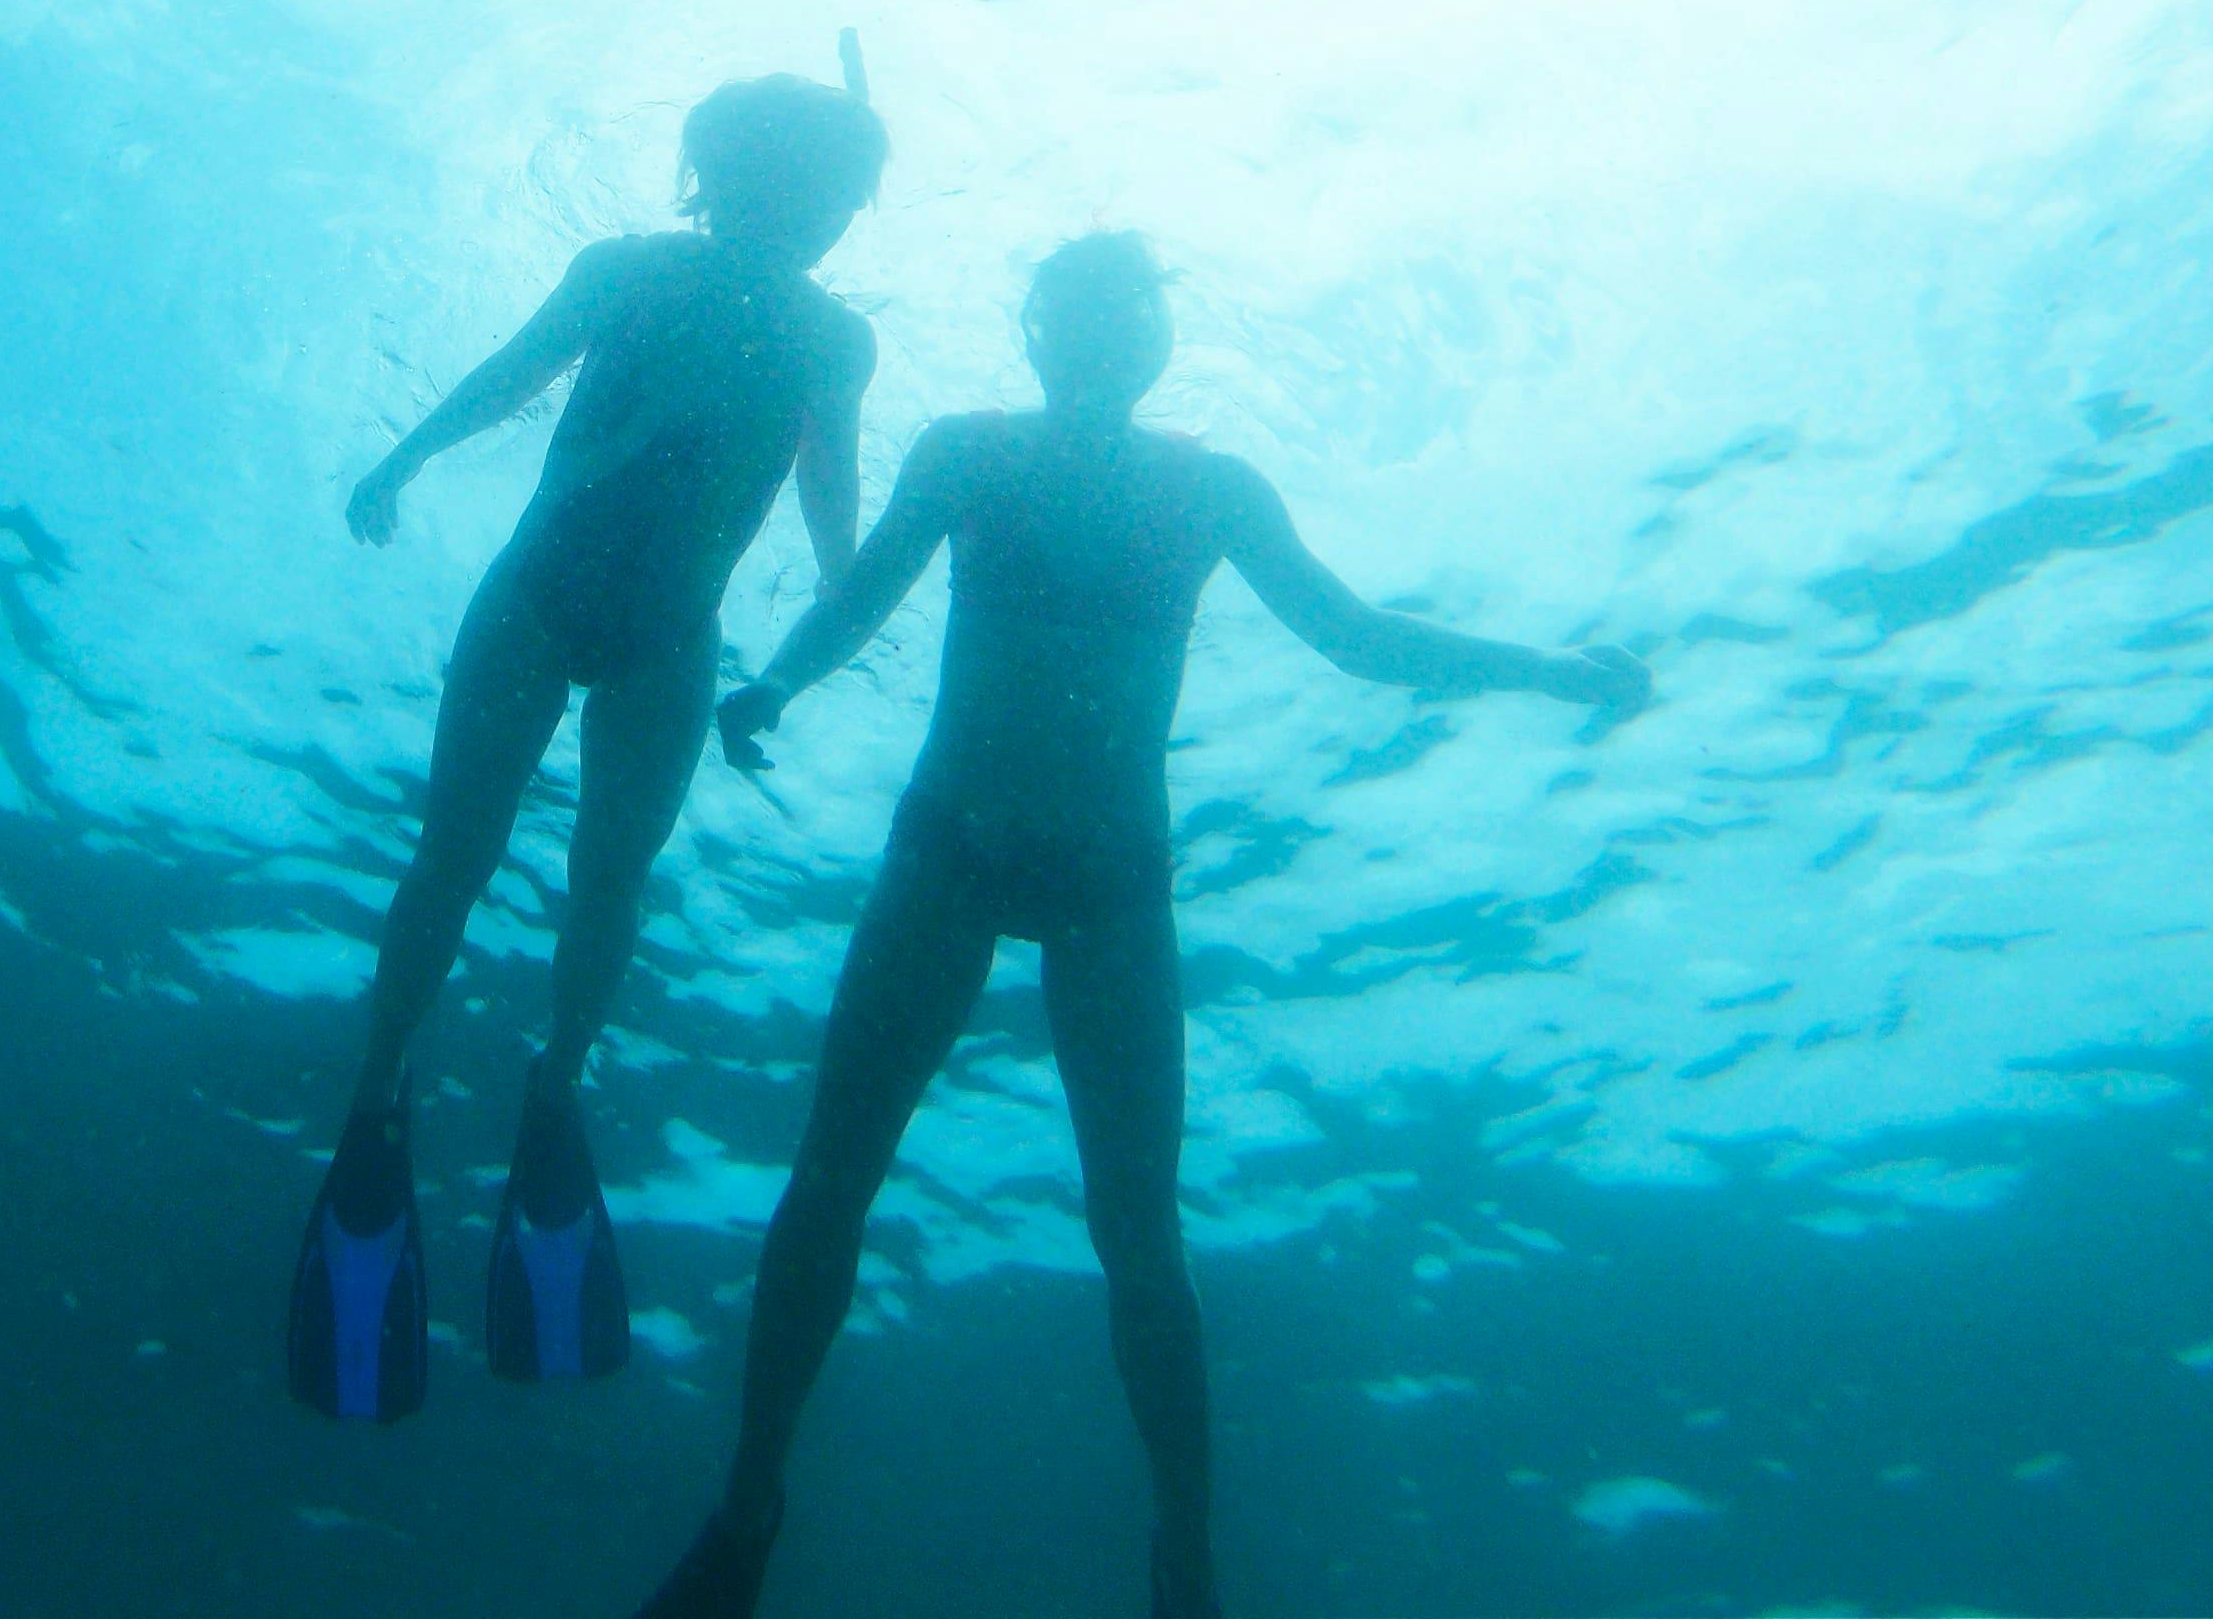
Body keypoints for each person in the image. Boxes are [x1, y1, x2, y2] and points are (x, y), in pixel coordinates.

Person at [634, 233, 1649, 1616]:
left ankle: (1182, 1554)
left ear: (1153, 339)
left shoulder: (1195, 486)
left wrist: (1546, 670)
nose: (1109, 334)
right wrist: (777, 684)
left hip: (1079, 876)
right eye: (1086, 311)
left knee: (1109, 1226)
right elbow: (860, 595)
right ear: (1040, 331)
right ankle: (759, 1507)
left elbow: (1356, 636)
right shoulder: (977, 455)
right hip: (974, 856)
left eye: (1127, 312)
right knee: (866, 1184)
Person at [286, 74, 888, 1422]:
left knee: (556, 875)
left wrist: (834, 609)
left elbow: (828, 486)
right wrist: (403, 459)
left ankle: (511, 1084)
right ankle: (437, 1084)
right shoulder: (643, 276)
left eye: (838, 192)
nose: (826, 212)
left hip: (636, 629)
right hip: (576, 610)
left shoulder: (816, 335)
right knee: (481, 861)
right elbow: (516, 373)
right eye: (823, 186)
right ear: (735, 175)